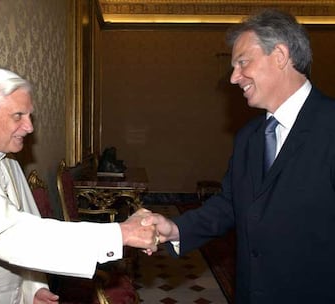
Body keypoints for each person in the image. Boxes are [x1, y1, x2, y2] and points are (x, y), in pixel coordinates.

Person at [143, 9, 335, 304]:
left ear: (280, 55)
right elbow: (232, 204)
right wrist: (176, 228)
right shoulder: (249, 136)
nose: (234, 78)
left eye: (242, 63)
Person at [0, 68, 158, 304]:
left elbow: (30, 225)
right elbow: (8, 236)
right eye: (18, 116)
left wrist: (32, 288)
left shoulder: (9, 161)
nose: (29, 127)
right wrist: (119, 233)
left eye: (29, 116)